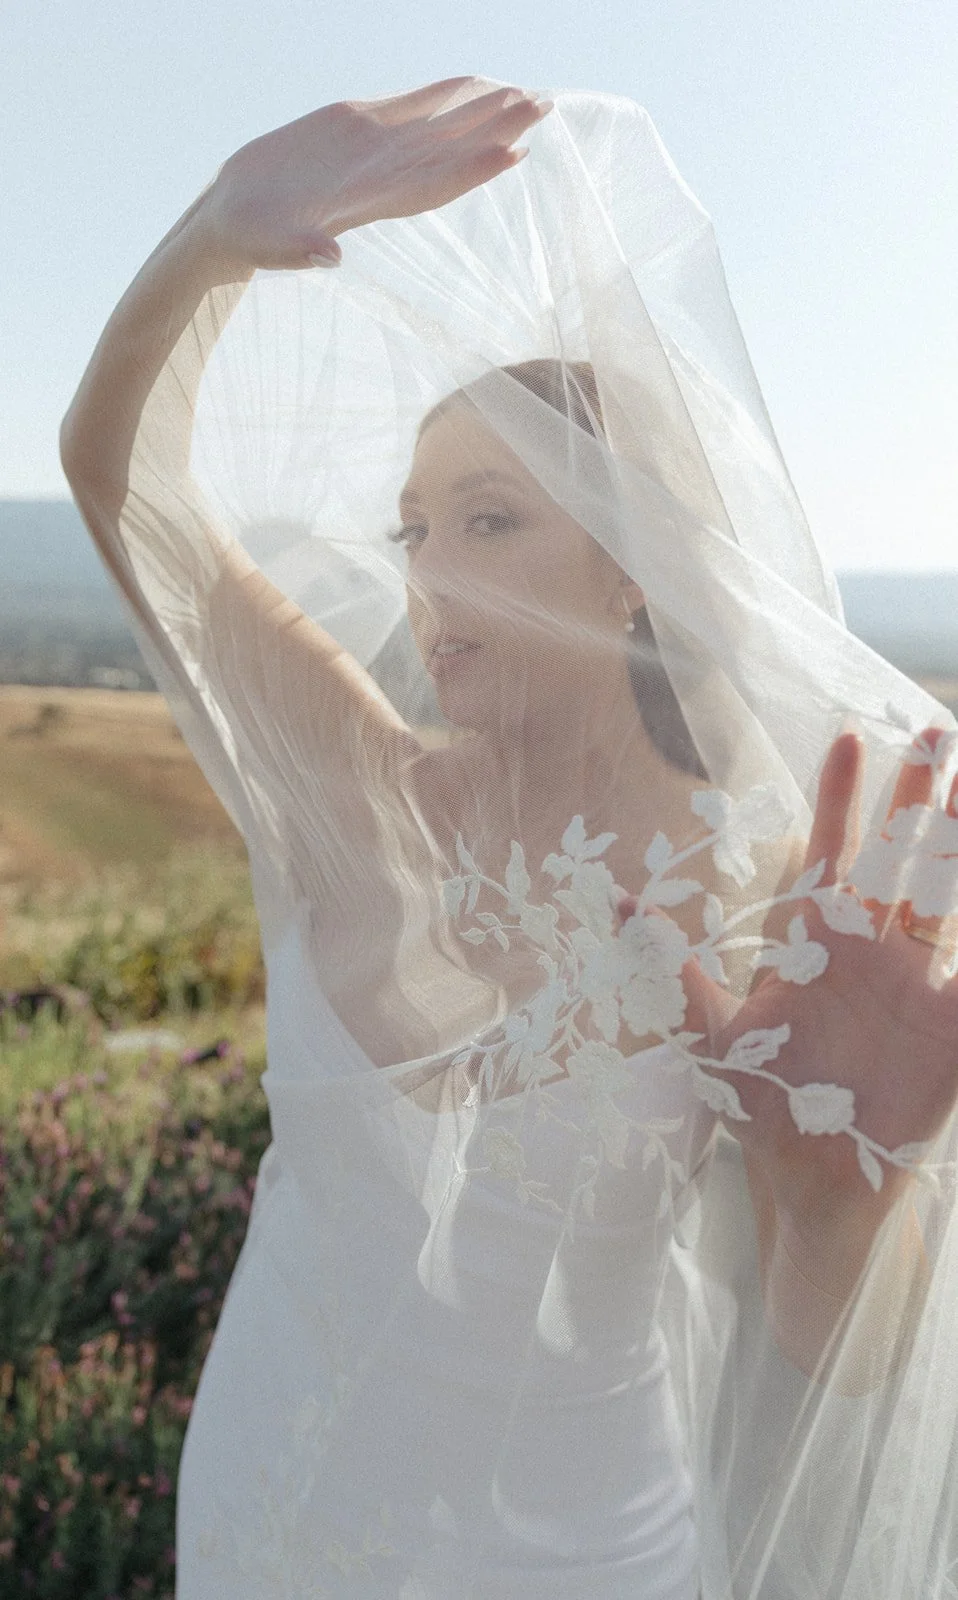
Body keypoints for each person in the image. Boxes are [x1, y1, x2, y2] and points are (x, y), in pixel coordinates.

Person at [61, 78, 958, 1598]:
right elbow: (118, 475)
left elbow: (813, 1355)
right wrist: (210, 239)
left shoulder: (763, 900)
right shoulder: (347, 790)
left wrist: (850, 1199)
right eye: (414, 528)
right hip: (271, 1518)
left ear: (631, 569)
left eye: (486, 521)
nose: (425, 577)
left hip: (587, 1554)